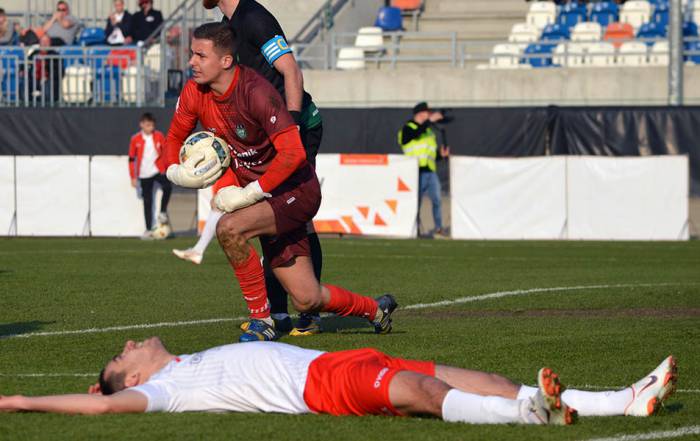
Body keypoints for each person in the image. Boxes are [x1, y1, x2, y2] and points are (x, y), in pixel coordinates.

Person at [164, 22, 396, 342]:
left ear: (226, 61)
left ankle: (263, 320)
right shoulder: (194, 91)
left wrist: (248, 194)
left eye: (200, 55)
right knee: (307, 297)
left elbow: (294, 153)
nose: (191, 62)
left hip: (296, 191)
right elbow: (175, 136)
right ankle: (375, 310)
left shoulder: (256, 92)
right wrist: (173, 172)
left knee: (230, 228)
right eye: (192, 54)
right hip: (264, 197)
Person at [0, 336, 678, 426]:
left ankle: (624, 399)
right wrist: (20, 398)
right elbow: (104, 408)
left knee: (485, 375)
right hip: (322, 386)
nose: (131, 342)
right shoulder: (166, 388)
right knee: (423, 395)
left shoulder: (181, 363)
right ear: (131, 375)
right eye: (124, 352)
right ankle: (533, 412)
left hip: (336, 359)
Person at [173, 0, 325, 338]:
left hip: (293, 125)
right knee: (265, 214)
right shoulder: (225, 24)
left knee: (294, 217)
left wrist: (294, 125)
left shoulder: (255, 18)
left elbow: (291, 71)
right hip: (265, 129)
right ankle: (279, 312)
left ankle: (308, 312)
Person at [398, 102, 450, 239]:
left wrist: (440, 155)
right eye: (427, 112)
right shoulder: (408, 128)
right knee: (416, 202)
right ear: (420, 113)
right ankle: (413, 230)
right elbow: (413, 135)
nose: (429, 114)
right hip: (415, 172)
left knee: (437, 200)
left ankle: (438, 230)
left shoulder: (428, 131)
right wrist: (429, 121)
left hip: (430, 171)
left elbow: (429, 154)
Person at [128, 113, 172, 240]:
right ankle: (148, 229)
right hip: (144, 174)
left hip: (157, 170)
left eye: (152, 125)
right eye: (148, 125)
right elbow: (131, 159)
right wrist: (133, 177)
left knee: (167, 187)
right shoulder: (135, 139)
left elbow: (165, 152)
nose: (150, 128)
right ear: (141, 124)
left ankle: (163, 212)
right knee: (148, 201)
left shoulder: (158, 136)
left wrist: (167, 166)